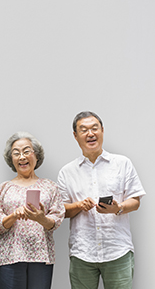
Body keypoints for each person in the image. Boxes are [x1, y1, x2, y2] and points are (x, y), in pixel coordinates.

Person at [57, 111, 146, 289]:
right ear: (75, 136)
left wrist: (118, 207)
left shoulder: (122, 163)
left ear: (102, 131)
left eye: (94, 128)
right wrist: (79, 206)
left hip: (117, 250)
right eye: (84, 130)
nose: (90, 133)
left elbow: (135, 201)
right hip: (82, 252)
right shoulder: (67, 172)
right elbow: (61, 211)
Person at [0, 131, 65, 289]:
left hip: (41, 256)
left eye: (26, 151)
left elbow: (56, 221)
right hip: (9, 256)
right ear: (12, 159)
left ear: (36, 156)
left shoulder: (50, 187)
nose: (21, 157)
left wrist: (40, 218)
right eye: (16, 153)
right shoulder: (3, 188)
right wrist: (13, 216)